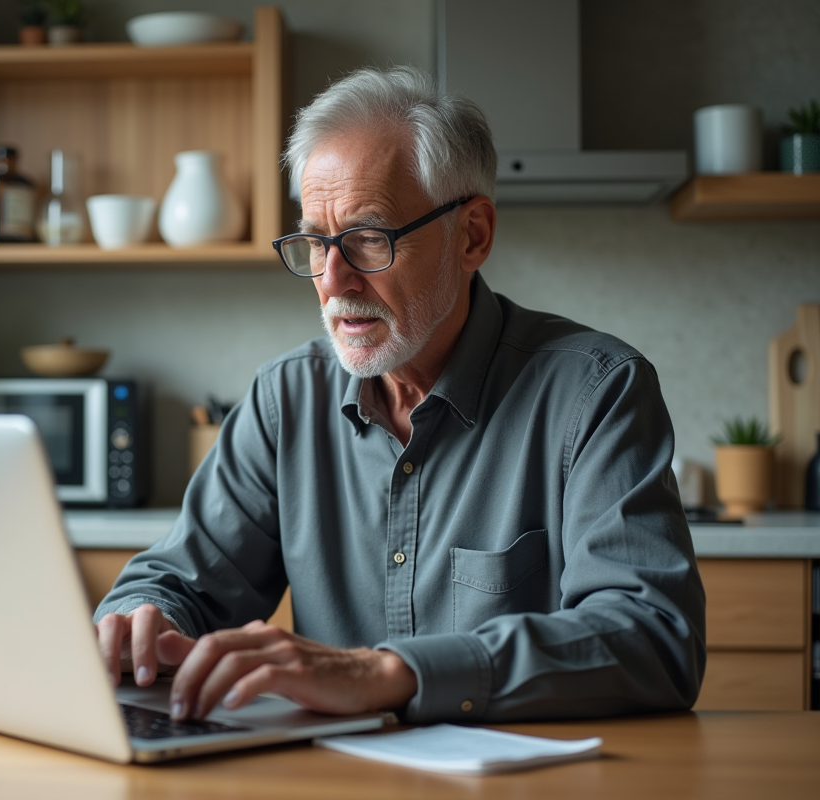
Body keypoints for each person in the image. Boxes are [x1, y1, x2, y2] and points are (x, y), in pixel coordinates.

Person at [94, 66, 706, 725]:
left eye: (366, 238)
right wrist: (137, 619)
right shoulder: (285, 400)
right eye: (315, 242)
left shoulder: (597, 391)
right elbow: (178, 578)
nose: (333, 280)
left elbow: (652, 638)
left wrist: (387, 674)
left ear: (472, 235)